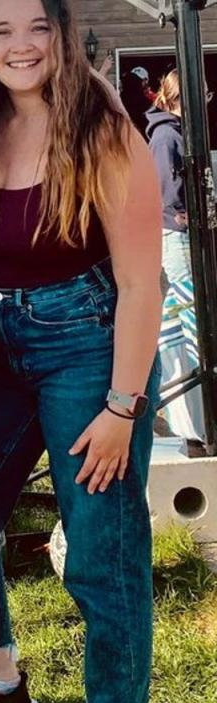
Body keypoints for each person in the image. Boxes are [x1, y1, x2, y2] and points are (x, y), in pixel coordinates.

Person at [0, 0, 161, 703]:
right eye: (0, 30)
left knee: (101, 542)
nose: (20, 45)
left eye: (36, 27)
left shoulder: (103, 126)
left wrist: (121, 405)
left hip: (88, 341)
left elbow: (143, 282)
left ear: (62, 33)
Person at [146, 70, 206, 448]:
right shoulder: (168, 136)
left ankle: (190, 423)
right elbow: (166, 196)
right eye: (203, 95)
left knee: (178, 331)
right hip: (179, 242)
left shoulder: (174, 133)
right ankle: (195, 426)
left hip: (179, 241)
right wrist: (187, 216)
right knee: (190, 328)